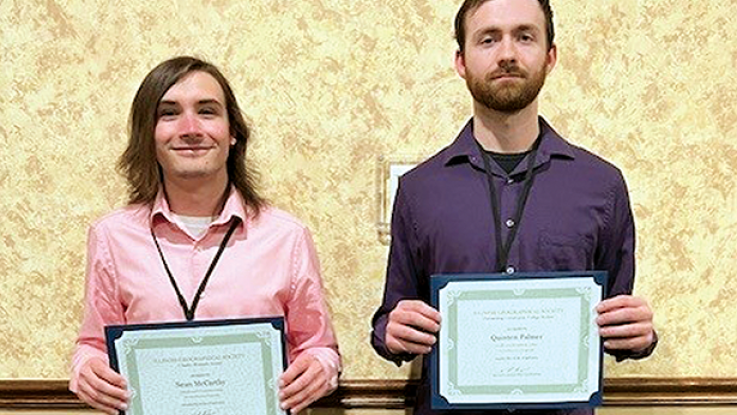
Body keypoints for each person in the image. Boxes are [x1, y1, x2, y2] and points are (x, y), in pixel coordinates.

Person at [371, 0, 657, 414]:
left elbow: (616, 320)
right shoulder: (419, 190)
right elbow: (388, 320)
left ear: (550, 56)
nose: (507, 53)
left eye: (525, 36)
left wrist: (639, 335)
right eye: (488, 39)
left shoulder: (603, 186)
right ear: (461, 62)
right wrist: (390, 332)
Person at [70, 56, 340, 414]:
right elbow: (93, 344)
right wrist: (85, 369)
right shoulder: (111, 237)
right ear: (147, 135)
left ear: (232, 134)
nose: (190, 127)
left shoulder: (286, 237)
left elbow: (319, 346)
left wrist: (321, 368)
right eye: (168, 113)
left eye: (207, 111)